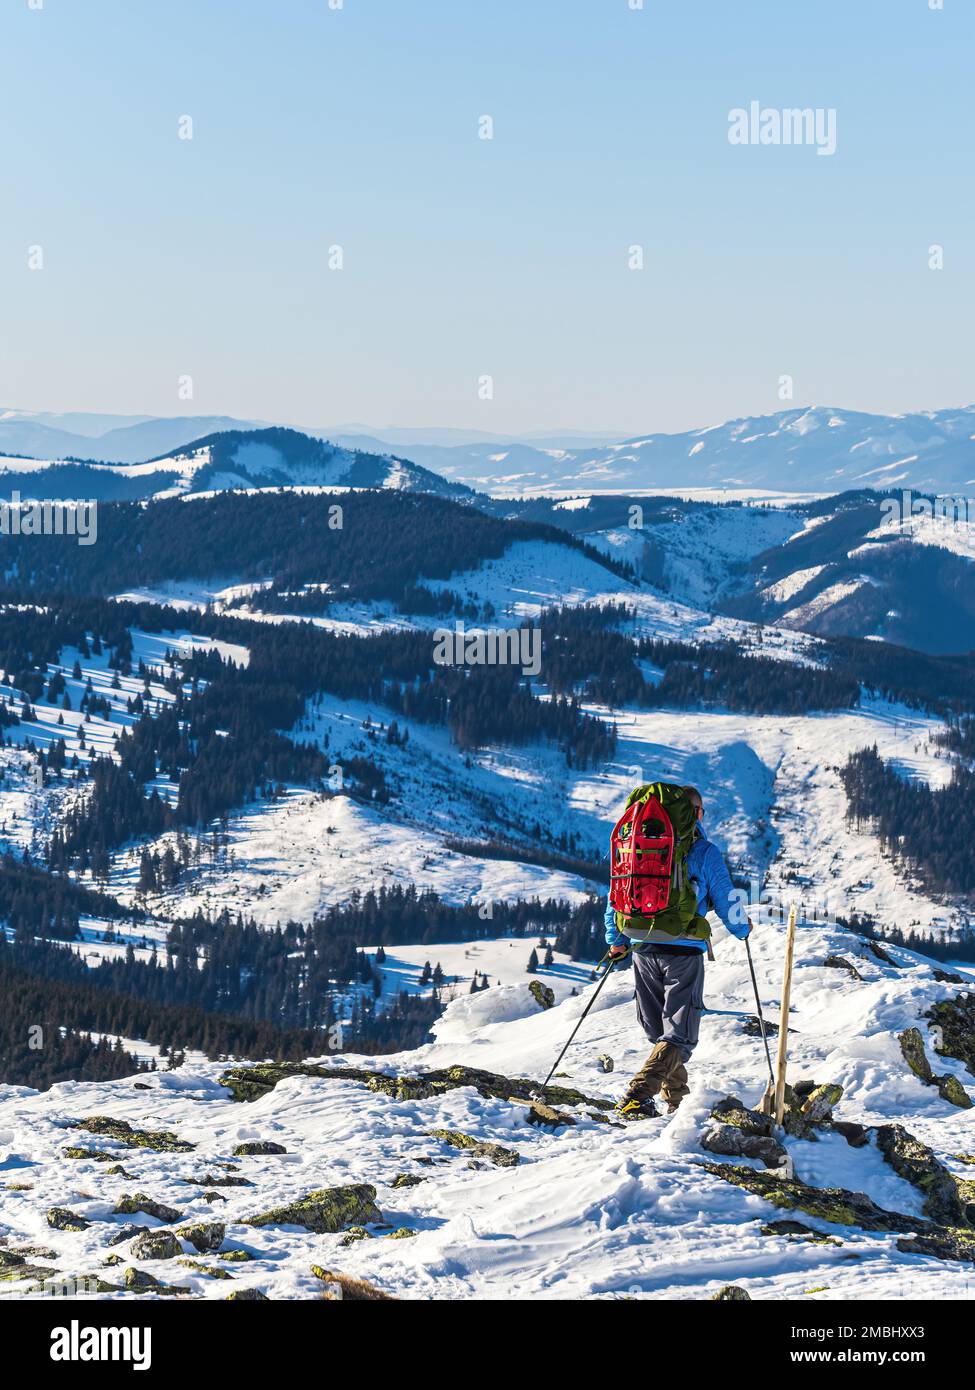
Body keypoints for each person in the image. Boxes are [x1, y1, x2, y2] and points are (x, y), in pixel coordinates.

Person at [605, 785, 753, 1118]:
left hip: (642, 947)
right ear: (693, 813)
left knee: (660, 1031)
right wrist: (742, 929)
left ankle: (677, 1104)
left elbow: (615, 894)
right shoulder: (702, 850)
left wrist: (616, 939)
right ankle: (638, 1094)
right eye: (700, 811)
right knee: (680, 1034)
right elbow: (726, 898)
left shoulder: (635, 845)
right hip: (682, 952)